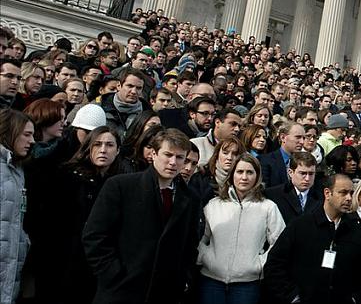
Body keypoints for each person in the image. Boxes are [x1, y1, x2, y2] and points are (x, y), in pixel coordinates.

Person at [82, 128, 201, 304]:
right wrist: (113, 274)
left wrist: (183, 278)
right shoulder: (121, 186)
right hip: (121, 290)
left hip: (165, 292)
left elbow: (190, 244)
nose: (173, 162)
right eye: (168, 155)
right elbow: (94, 235)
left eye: (179, 157)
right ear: (153, 154)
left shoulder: (190, 198)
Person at [37, 126, 125, 304]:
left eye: (109, 145)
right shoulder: (67, 176)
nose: (102, 150)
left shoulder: (122, 183)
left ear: (117, 151)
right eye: (97, 144)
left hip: (102, 265)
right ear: (88, 148)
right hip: (66, 262)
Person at [263, 173, 361, 304]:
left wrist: (355, 299)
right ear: (327, 193)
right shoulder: (300, 226)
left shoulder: (357, 231)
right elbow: (274, 265)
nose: (349, 198)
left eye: (351, 193)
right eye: (343, 193)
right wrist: (292, 296)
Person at [198, 153, 285, 304]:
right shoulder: (214, 204)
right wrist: (206, 258)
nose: (244, 177)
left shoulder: (268, 207)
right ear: (232, 175)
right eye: (239, 172)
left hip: (247, 284)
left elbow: (280, 242)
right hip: (211, 281)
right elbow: (199, 237)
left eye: (250, 172)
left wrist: (260, 264)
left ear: (257, 176)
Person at [0, 109, 34, 304]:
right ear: (9, 131)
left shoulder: (17, 168)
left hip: (11, 267)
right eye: (27, 134)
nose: (32, 141)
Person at [264, 151, 321, 225]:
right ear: (290, 172)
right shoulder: (272, 195)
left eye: (311, 174)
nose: (307, 178)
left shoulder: (323, 195)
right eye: (303, 173)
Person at [189, 137, 244, 207]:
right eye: (225, 153)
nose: (229, 157)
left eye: (235, 154)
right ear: (217, 154)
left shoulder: (244, 181)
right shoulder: (200, 179)